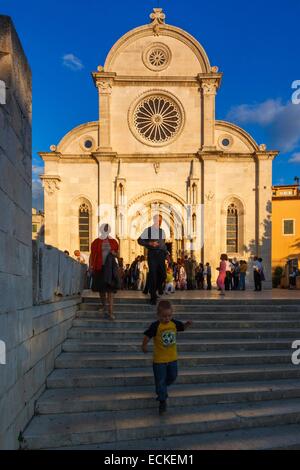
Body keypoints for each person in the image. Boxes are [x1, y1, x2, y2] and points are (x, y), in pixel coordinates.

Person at [142, 300, 192, 415]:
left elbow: (182, 327)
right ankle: (162, 401)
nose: (167, 318)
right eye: (164, 316)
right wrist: (144, 346)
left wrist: (187, 325)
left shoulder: (173, 323)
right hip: (159, 360)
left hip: (172, 358)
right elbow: (147, 336)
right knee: (160, 380)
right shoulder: (155, 326)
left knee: (173, 376)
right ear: (158, 315)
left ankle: (162, 388)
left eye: (169, 316)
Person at [90, 223, 119, 320]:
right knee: (101, 289)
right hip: (99, 268)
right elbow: (92, 255)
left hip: (110, 269)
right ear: (101, 230)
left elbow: (117, 255)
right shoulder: (96, 242)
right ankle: (104, 305)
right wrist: (91, 266)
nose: (105, 230)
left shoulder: (114, 242)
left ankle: (111, 312)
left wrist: (114, 253)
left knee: (110, 290)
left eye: (107, 228)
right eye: (104, 228)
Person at [138, 214, 168, 305]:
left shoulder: (162, 231)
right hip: (152, 255)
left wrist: (166, 253)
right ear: (154, 221)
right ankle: (153, 297)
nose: (159, 222)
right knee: (153, 275)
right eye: (157, 220)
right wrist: (150, 243)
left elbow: (163, 244)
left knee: (163, 275)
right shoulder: (148, 230)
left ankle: (153, 288)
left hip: (161, 255)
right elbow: (139, 240)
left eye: (160, 221)